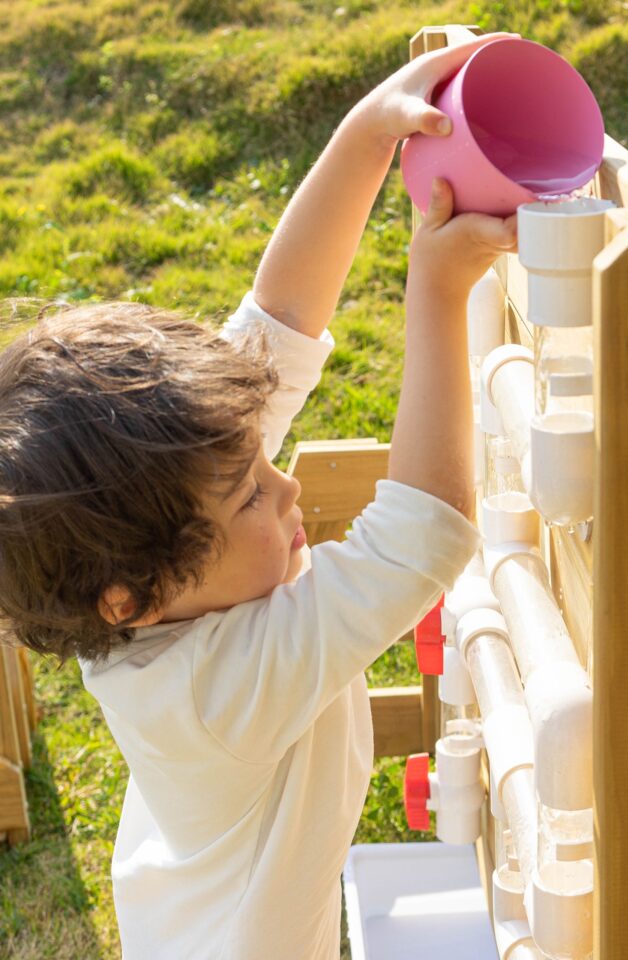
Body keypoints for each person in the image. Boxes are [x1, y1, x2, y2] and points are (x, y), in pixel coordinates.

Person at [0, 34, 518, 960]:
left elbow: (278, 321)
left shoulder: (158, 568)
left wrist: (366, 136)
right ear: (132, 596)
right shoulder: (218, 690)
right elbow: (422, 538)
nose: (285, 486)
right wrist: (435, 296)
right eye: (247, 499)